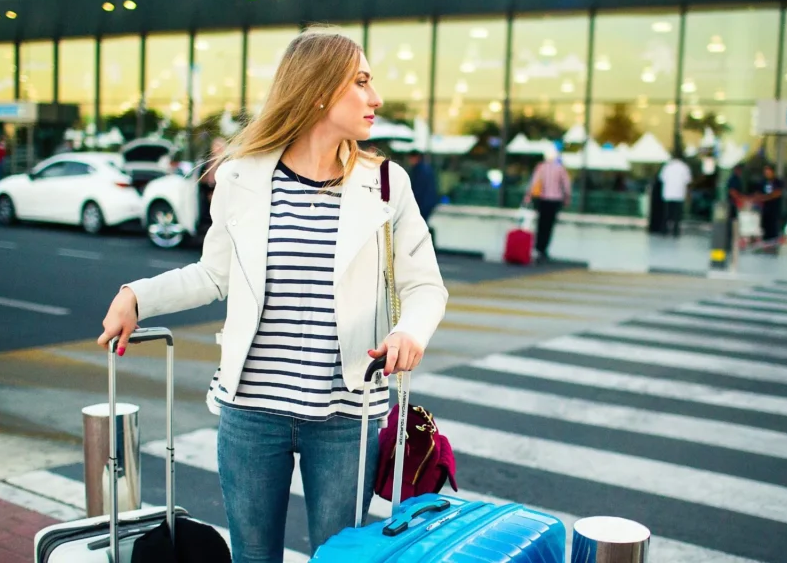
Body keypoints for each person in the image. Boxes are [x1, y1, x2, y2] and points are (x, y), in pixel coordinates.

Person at [97, 32, 448, 563]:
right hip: (251, 412)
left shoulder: (384, 182)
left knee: (338, 559)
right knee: (253, 558)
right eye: (360, 82)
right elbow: (213, 275)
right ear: (318, 91)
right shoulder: (242, 176)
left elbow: (425, 285)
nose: (375, 98)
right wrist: (137, 296)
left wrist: (409, 332)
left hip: (347, 414)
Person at [522, 147, 571, 262]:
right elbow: (566, 184)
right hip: (555, 200)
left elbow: (534, 182)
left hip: (542, 199)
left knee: (541, 224)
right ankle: (544, 248)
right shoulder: (560, 168)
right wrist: (567, 198)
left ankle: (538, 246)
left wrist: (528, 196)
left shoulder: (541, 167)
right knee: (549, 225)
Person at [659, 151, 692, 238]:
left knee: (667, 214)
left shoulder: (667, 166)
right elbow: (687, 181)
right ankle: (675, 231)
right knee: (677, 215)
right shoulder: (684, 167)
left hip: (668, 194)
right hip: (679, 194)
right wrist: (688, 195)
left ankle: (664, 230)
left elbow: (662, 179)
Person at [754, 163, 785, 247]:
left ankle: (773, 246)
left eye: (768, 171)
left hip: (774, 210)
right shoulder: (762, 182)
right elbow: (757, 194)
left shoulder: (777, 182)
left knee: (773, 230)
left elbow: (777, 193)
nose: (767, 173)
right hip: (764, 210)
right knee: (765, 229)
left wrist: (765, 197)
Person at [406, 149, 438, 224]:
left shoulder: (420, 170)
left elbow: (419, 188)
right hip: (428, 201)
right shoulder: (425, 168)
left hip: (423, 203)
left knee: (419, 222)